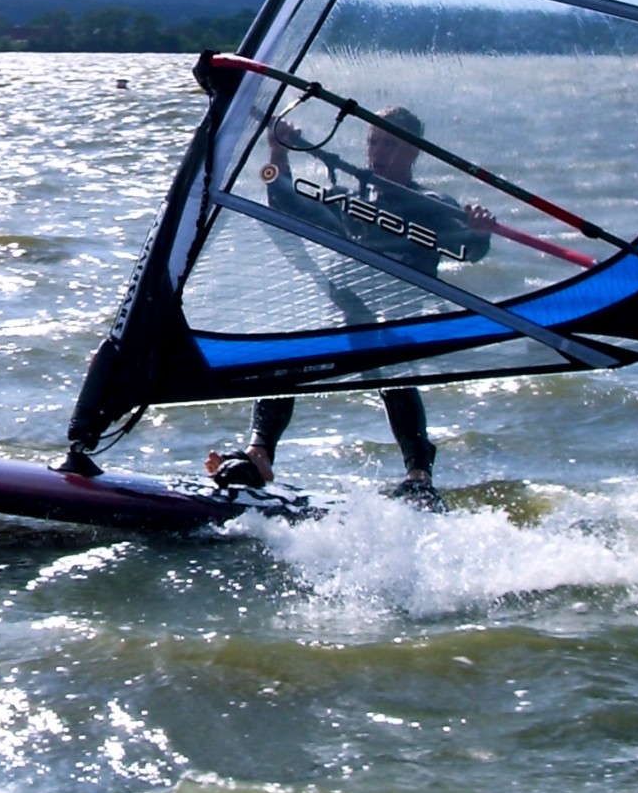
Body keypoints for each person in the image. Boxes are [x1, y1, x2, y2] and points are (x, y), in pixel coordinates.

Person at [205, 104, 493, 504]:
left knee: (390, 366)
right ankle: (260, 454)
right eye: (375, 142)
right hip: (347, 312)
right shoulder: (345, 198)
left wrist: (480, 231)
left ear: (413, 153)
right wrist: (278, 152)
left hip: (398, 316)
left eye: (393, 146)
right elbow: (286, 205)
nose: (381, 153)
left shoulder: (431, 204)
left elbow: (467, 248)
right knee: (289, 353)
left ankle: (419, 475)